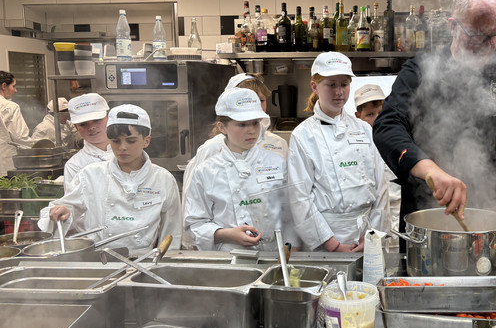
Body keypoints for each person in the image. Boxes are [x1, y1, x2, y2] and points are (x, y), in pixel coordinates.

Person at [373, 0, 496, 238]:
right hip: (428, 218)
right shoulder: (420, 72)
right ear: (453, 27)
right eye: (477, 36)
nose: (488, 45)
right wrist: (430, 170)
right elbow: (387, 125)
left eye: (495, 35)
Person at [39, 104, 181, 256]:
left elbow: (172, 230)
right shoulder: (91, 175)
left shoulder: (163, 179)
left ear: (146, 141)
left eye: (131, 141)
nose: (122, 147)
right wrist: (62, 212)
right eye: (116, 141)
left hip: (144, 260)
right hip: (98, 260)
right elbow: (61, 209)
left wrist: (165, 260)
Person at [287, 52, 389, 252]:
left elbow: (381, 187)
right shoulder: (303, 135)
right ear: (314, 86)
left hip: (367, 235)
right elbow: (299, 197)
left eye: (344, 84)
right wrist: (331, 244)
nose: (339, 92)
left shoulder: (364, 129)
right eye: (331, 85)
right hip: (326, 239)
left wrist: (373, 235)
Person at [180, 73, 287, 247]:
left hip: (273, 253)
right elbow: (194, 223)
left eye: (255, 123)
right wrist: (227, 235)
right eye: (242, 124)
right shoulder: (206, 170)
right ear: (222, 127)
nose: (251, 130)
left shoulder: (277, 163)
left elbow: (291, 211)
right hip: (227, 255)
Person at [354, 84, 400, 249]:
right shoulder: (356, 147)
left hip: (398, 221)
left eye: (380, 113)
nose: (377, 118)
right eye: (370, 114)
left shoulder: (398, 141)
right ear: (358, 116)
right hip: (369, 225)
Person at [63, 93, 113, 192]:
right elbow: (73, 200)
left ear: (109, 118)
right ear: (76, 127)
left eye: (97, 120)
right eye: (83, 124)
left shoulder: (128, 152)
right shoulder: (74, 165)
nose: (92, 127)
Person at [0, 71, 32, 175]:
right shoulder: (10, 107)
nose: (15, 90)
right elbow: (20, 137)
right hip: (4, 165)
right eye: (13, 86)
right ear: (4, 86)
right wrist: (38, 147)